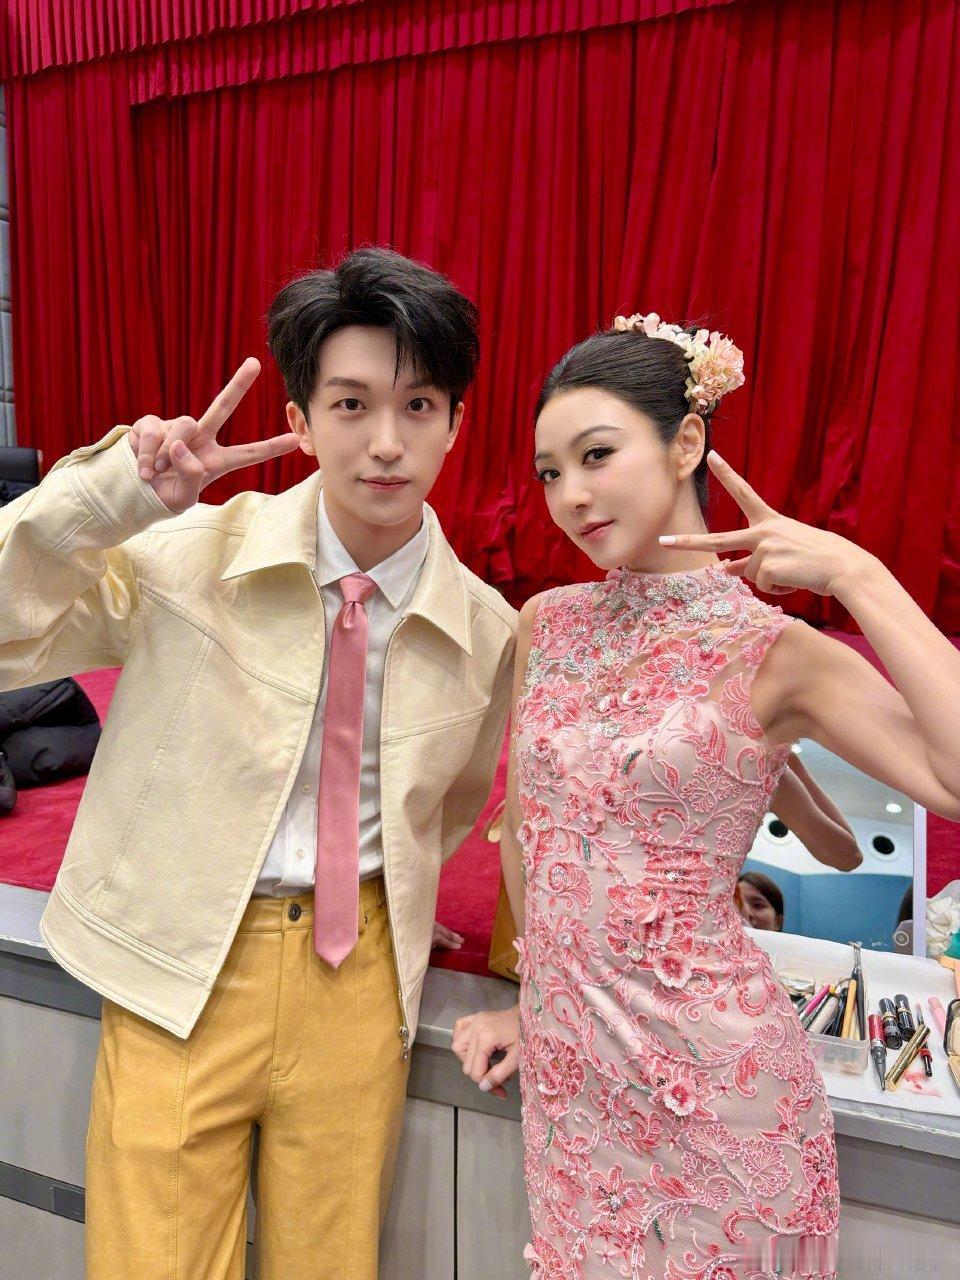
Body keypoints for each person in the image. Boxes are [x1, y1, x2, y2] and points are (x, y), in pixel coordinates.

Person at [0, 247, 516, 1279]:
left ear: (456, 423)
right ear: (299, 419)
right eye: (351, 404)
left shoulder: (485, 629)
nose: (386, 442)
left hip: (355, 982)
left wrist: (395, 892)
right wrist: (115, 495)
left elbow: (451, 803)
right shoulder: (188, 553)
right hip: (184, 964)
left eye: (418, 406)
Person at [453, 310, 960, 1278]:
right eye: (550, 472)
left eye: (597, 454)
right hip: (573, 1099)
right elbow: (532, 834)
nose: (570, 494)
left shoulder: (774, 651)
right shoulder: (547, 622)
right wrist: (536, 997)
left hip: (719, 1096)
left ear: (686, 442)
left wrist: (857, 573)